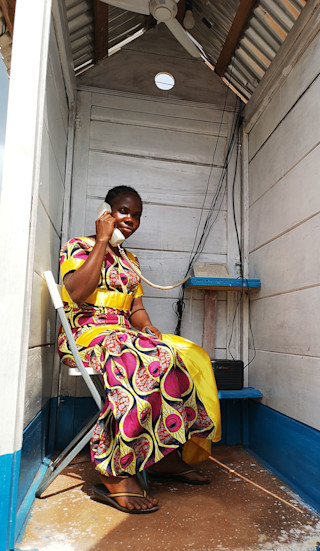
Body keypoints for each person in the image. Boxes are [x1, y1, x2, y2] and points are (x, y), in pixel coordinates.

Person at [58, 185, 221, 514]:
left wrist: (148, 328)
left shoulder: (130, 260)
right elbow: (75, 293)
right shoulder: (78, 247)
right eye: (123, 211)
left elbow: (136, 310)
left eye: (136, 215)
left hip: (124, 334)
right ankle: (115, 471)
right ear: (106, 211)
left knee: (171, 355)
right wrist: (103, 241)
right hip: (86, 336)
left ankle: (163, 456)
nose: (129, 219)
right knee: (137, 359)